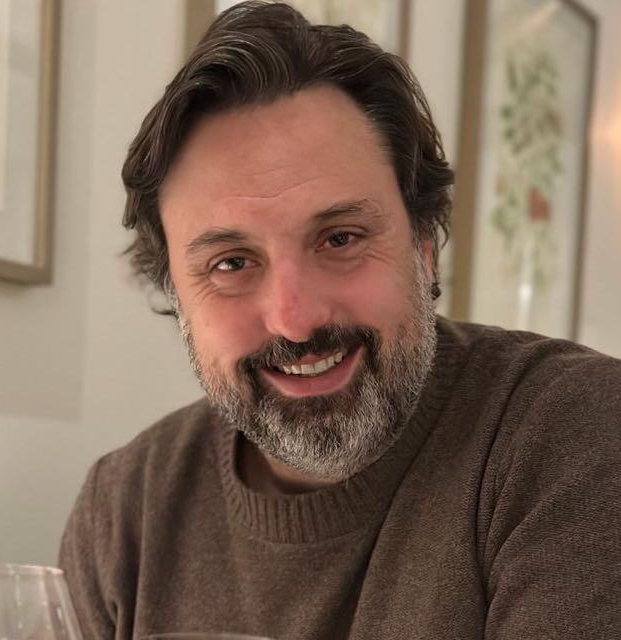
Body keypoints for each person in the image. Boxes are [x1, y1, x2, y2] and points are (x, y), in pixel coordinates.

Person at [59, 2, 621, 639]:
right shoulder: (123, 507)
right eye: (232, 262)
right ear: (178, 295)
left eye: (340, 238)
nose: (295, 320)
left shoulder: (573, 435)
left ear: (424, 245)